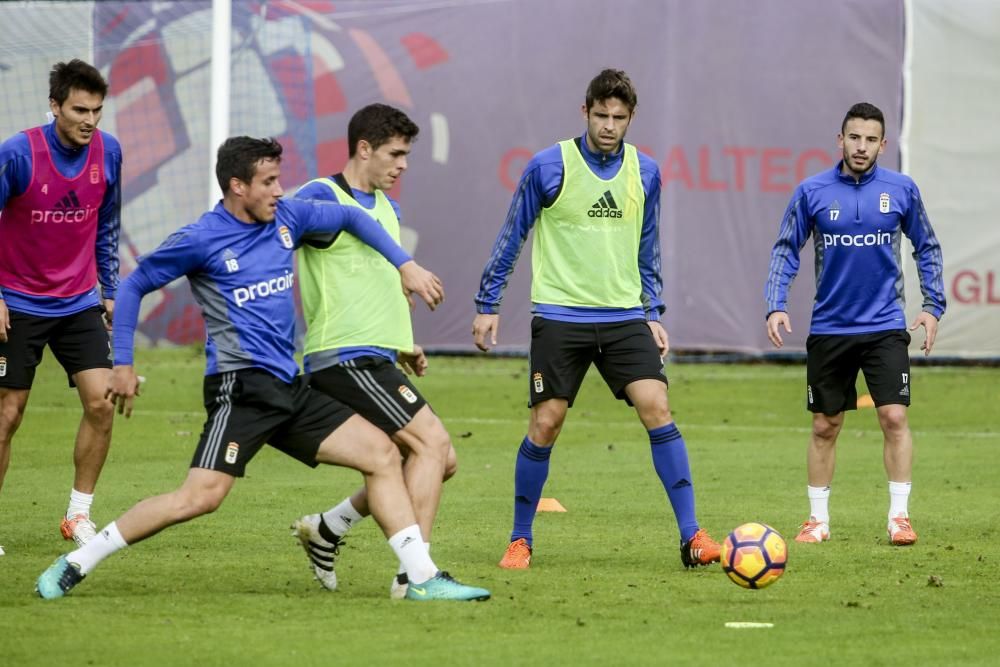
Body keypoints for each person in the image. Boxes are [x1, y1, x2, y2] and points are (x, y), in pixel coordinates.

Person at [36, 136, 490, 602]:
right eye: (268, 182)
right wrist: (123, 364)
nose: (279, 190)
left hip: (289, 386)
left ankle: (420, 577)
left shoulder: (289, 217)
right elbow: (133, 286)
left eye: (279, 180)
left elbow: (352, 216)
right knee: (199, 498)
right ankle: (76, 562)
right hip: (240, 390)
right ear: (237, 186)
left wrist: (405, 265)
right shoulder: (201, 238)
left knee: (382, 454)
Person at [472, 69, 721, 570]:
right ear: (585, 111)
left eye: (620, 118)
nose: (610, 126)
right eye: (602, 115)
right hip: (560, 316)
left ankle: (692, 536)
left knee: (658, 406)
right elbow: (511, 235)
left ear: (631, 119)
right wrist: (487, 303)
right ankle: (521, 538)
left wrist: (652, 313)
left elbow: (649, 249)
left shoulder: (645, 172)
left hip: (625, 316)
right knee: (547, 421)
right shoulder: (548, 166)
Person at [292, 104, 457, 599]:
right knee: (431, 443)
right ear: (363, 148)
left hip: (376, 355)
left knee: (436, 460)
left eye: (407, 154)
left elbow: (376, 281)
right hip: (342, 355)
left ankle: (328, 528)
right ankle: (415, 576)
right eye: (395, 153)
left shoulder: (388, 206)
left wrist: (402, 344)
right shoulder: (319, 197)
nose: (403, 164)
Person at [764, 102, 945, 546]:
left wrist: (932, 305)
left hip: (884, 324)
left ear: (883, 144)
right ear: (839, 140)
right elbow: (786, 249)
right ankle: (817, 521)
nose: (861, 146)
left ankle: (899, 517)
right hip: (830, 327)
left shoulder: (902, 190)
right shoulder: (812, 191)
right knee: (826, 425)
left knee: (893, 416)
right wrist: (776, 303)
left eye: (870, 139)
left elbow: (928, 246)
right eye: (853, 137)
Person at [0, 59, 123, 556]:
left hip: (77, 302)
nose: (89, 119)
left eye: (96, 109)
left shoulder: (108, 151)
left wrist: (109, 288)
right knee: (8, 415)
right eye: (78, 109)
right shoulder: (18, 153)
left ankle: (78, 515)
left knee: (101, 403)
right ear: (54, 106)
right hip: (19, 301)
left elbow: (108, 222)